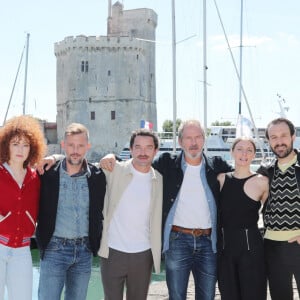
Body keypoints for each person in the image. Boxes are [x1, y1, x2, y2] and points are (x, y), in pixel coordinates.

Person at [100, 119, 233, 300]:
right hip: (178, 240)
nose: (193, 143)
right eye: (188, 138)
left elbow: (243, 175)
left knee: (207, 296)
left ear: (204, 139)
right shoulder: (166, 163)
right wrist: (111, 157)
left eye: (198, 137)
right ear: (179, 142)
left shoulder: (217, 165)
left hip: (208, 242)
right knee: (176, 296)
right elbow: (137, 164)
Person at [36, 123, 106, 300]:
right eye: (71, 145)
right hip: (54, 250)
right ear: (63, 145)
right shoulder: (48, 174)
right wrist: (53, 157)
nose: (76, 150)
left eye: (80, 145)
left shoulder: (97, 176)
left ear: (88, 146)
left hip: (84, 252)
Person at [99, 129, 163, 300]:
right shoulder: (114, 170)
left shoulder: (160, 180)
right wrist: (54, 158)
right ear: (131, 149)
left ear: (155, 151)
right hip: (112, 252)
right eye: (138, 147)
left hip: (143, 255)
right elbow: (81, 166)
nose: (143, 152)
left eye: (148, 147)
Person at [0, 115, 46, 300]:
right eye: (15, 144)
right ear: (6, 146)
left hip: (22, 250)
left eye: (26, 145)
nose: (20, 149)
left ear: (32, 148)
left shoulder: (36, 177)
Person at [217, 137, 269, 300]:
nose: (244, 153)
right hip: (226, 250)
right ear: (232, 152)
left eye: (249, 150)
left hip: (252, 248)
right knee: (229, 295)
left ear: (254, 155)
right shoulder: (221, 179)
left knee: (254, 295)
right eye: (239, 149)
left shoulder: (263, 182)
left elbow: (272, 214)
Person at [261, 117, 300, 300]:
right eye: (274, 137)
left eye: (284, 135)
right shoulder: (265, 171)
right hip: (272, 247)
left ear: (293, 136)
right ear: (268, 141)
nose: (279, 141)